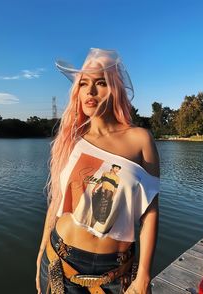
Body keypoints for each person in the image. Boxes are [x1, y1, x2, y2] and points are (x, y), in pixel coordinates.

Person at [36, 48, 160, 294]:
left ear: (114, 88)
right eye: (84, 83)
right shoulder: (72, 139)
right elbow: (57, 201)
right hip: (60, 258)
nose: (90, 91)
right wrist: (41, 252)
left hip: (114, 271)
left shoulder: (140, 139)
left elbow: (150, 214)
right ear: (77, 92)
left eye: (100, 82)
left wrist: (144, 276)